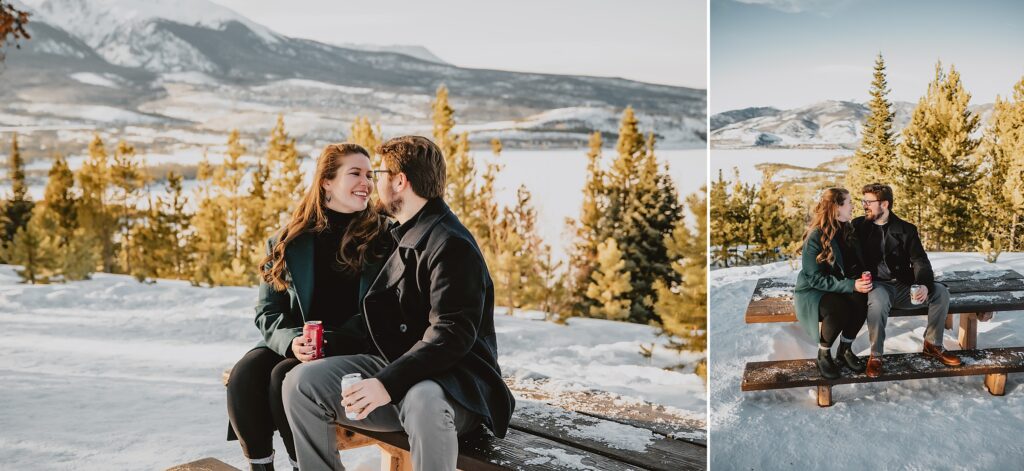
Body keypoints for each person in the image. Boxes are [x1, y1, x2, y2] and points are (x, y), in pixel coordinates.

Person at [283, 135, 515, 471]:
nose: (372, 185)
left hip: (454, 385)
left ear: (400, 181)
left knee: (423, 399)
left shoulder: (451, 244)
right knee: (301, 384)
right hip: (398, 368)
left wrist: (386, 383)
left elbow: (452, 334)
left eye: (378, 176)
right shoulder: (402, 233)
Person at [226, 143, 391, 471]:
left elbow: (388, 308)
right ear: (327, 182)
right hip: (298, 344)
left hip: (353, 347)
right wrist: (290, 341)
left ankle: (305, 465)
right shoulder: (288, 240)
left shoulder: (383, 237)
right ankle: (261, 467)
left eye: (370, 175)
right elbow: (267, 311)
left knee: (283, 377)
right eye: (355, 173)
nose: (367, 182)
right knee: (244, 375)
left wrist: (332, 341)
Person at [854, 183, 960, 378]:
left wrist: (924, 285)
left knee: (941, 292)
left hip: (903, 286)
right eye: (864, 201)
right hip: (876, 286)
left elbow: (920, 261)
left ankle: (932, 344)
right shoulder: (858, 226)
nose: (864, 205)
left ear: (884, 204)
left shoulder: (906, 229)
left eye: (869, 202)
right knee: (878, 300)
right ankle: (876, 355)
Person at [794, 188, 870, 379]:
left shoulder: (847, 228)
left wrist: (862, 278)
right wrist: (850, 285)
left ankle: (844, 350)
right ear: (836, 207)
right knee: (839, 308)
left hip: (842, 285)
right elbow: (814, 278)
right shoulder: (815, 236)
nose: (853, 206)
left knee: (861, 299)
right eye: (849, 202)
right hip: (815, 291)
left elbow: (853, 261)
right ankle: (824, 354)